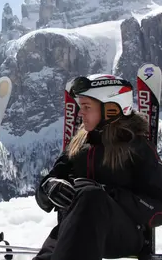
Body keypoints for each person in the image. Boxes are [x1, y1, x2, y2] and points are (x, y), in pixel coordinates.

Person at [34, 74, 162, 260]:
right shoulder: (78, 145)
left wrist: (108, 194)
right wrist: (49, 187)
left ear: (111, 109)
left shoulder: (136, 147)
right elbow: (43, 194)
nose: (79, 113)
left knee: (90, 196)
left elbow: (158, 209)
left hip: (123, 235)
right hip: (72, 230)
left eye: (86, 107)